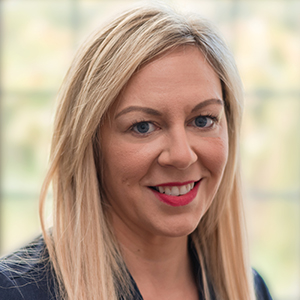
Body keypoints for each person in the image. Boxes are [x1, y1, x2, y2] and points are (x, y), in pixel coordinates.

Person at [0, 4, 273, 300]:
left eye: (203, 120)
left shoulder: (250, 288)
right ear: (90, 144)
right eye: (143, 126)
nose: (182, 156)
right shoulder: (16, 292)